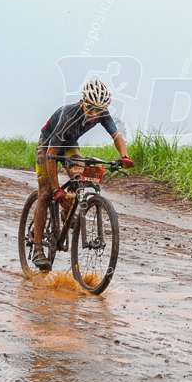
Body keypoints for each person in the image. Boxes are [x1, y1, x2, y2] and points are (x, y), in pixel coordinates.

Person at [32, 79, 134, 271]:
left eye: (99, 110)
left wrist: (124, 156)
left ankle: (67, 209)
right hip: (48, 145)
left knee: (80, 176)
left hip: (69, 144)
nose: (94, 114)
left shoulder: (102, 114)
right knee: (45, 193)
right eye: (91, 108)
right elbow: (51, 156)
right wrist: (56, 189)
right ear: (82, 102)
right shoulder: (68, 115)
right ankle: (38, 247)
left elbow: (117, 136)